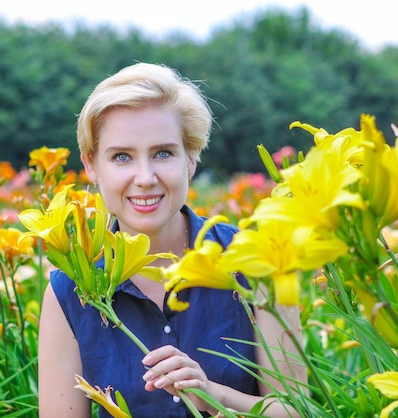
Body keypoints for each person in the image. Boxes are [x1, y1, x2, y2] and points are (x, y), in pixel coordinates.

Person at [38, 62, 306, 417]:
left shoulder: (259, 258)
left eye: (163, 153)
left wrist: (217, 397)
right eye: (122, 157)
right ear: (91, 166)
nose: (145, 177)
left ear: (191, 159)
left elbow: (299, 411)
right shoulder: (68, 291)